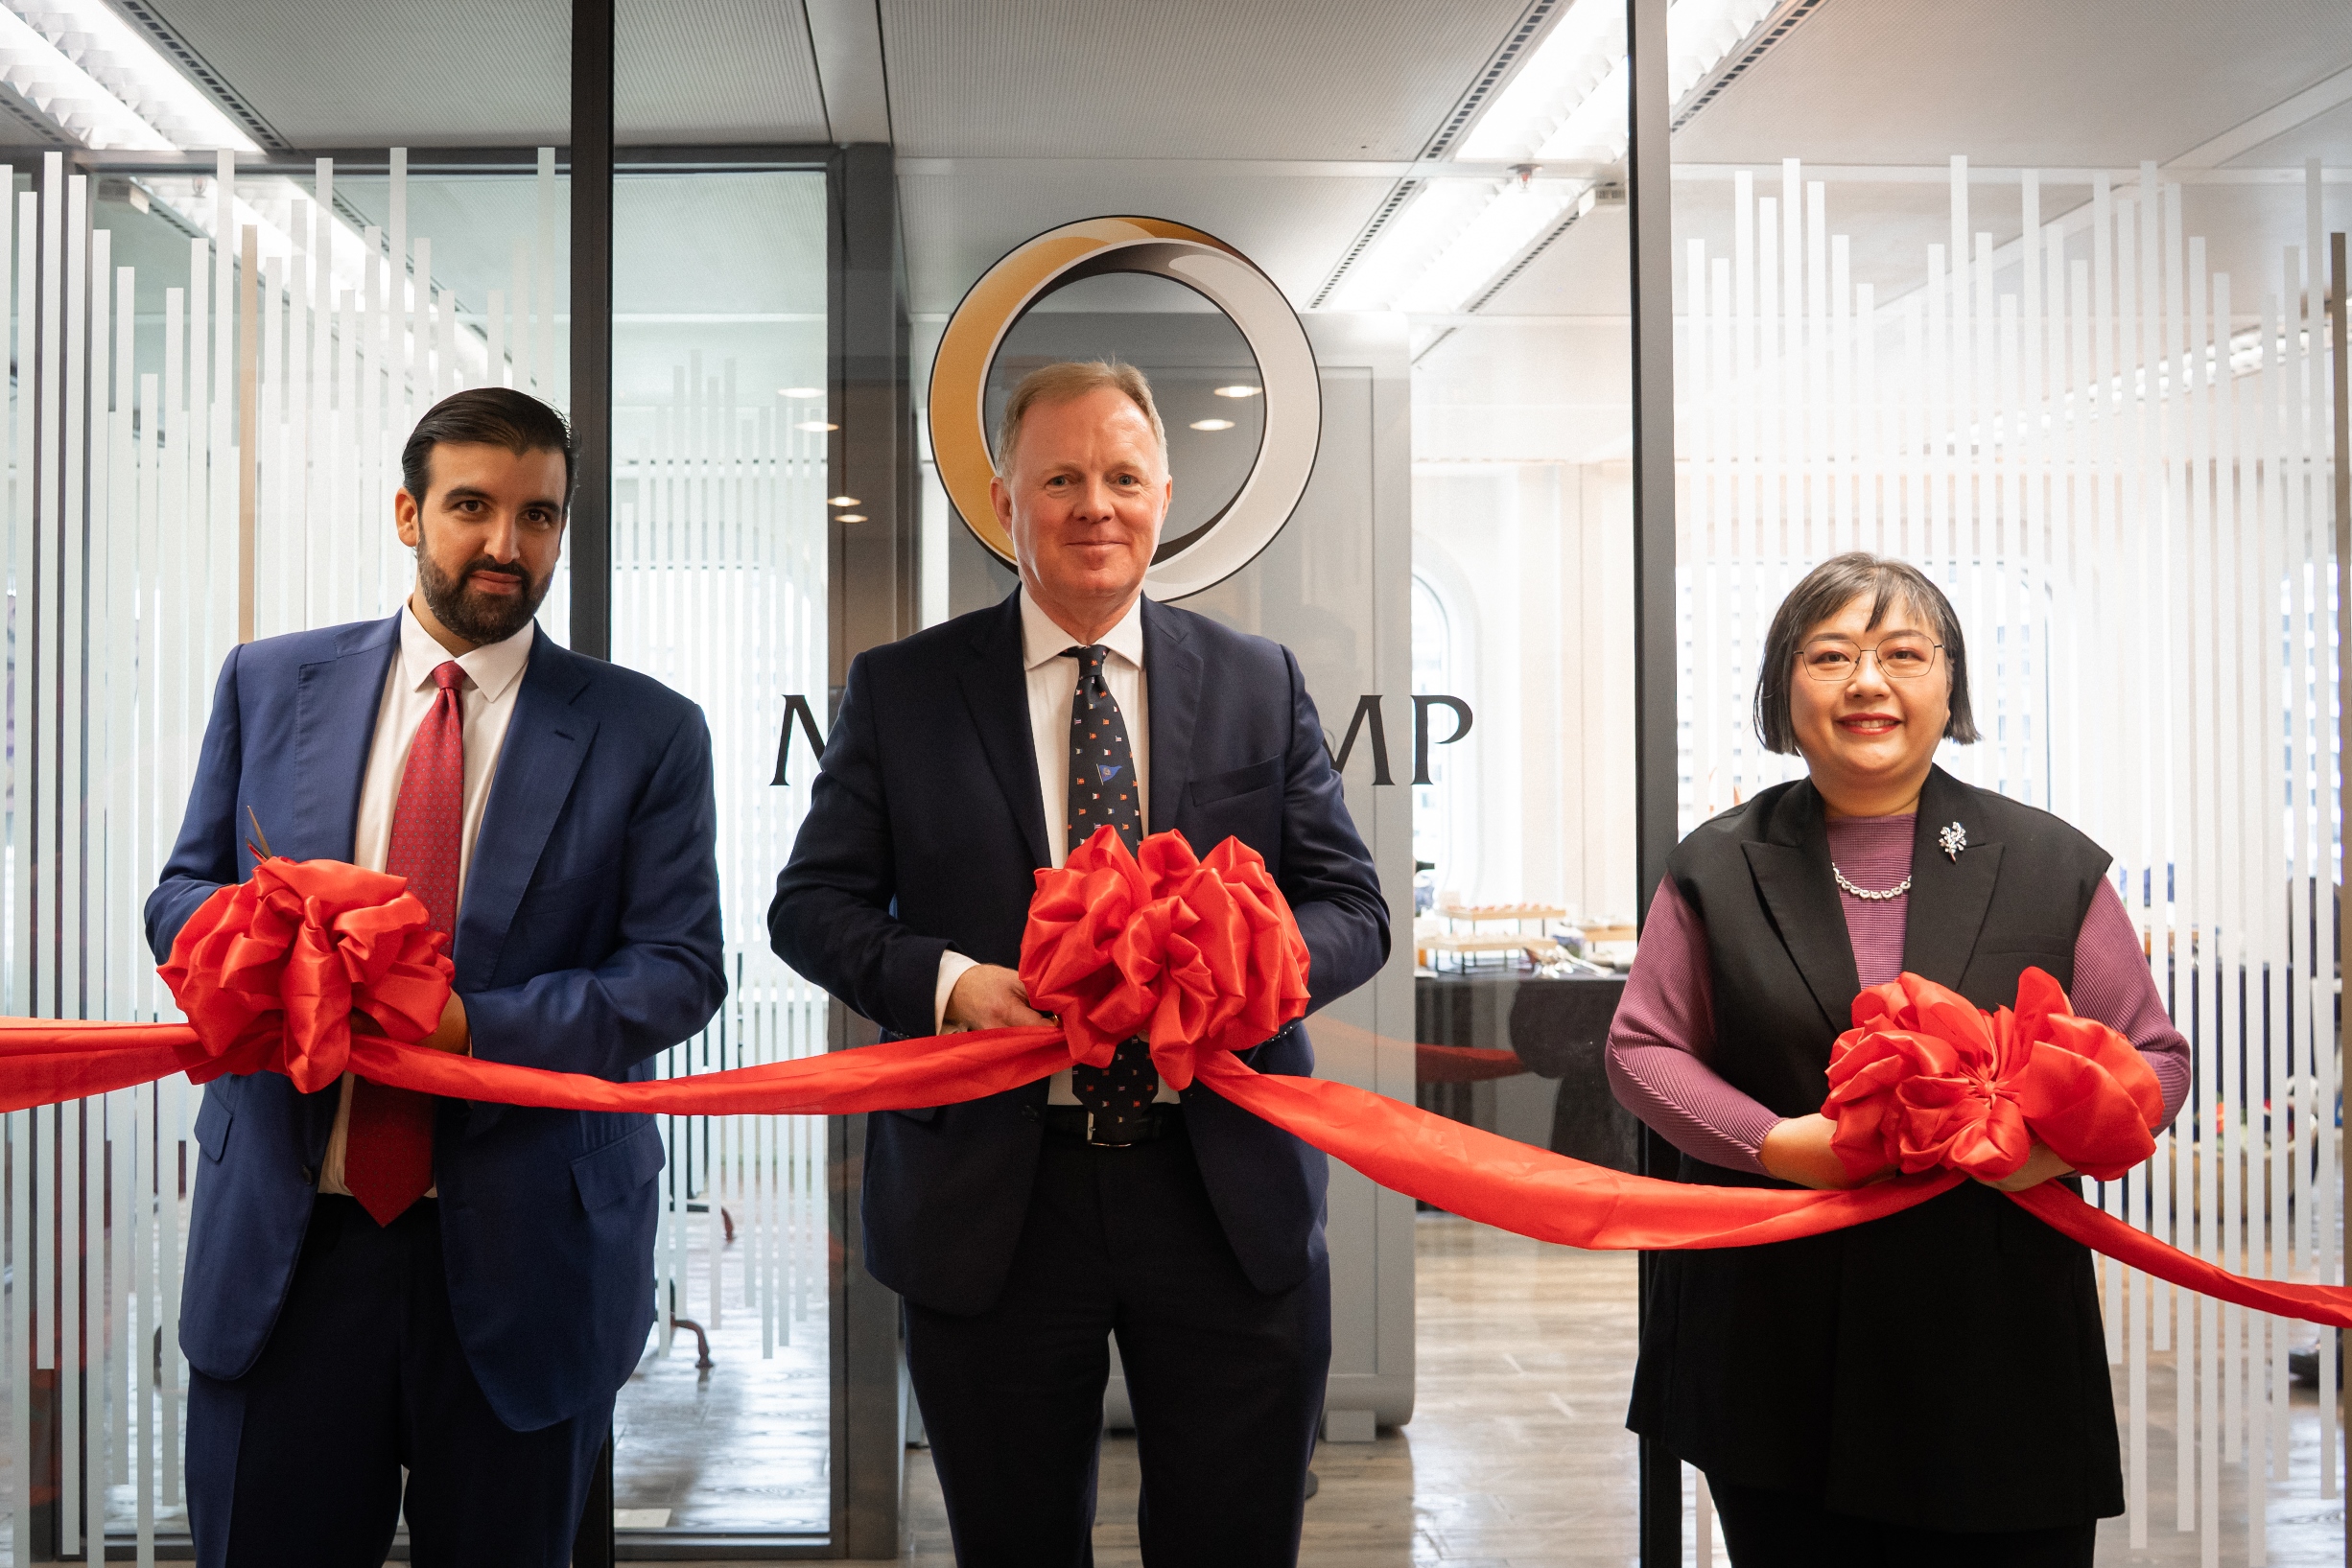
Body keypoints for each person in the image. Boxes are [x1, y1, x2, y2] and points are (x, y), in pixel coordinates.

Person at [768, 360, 1387, 1565]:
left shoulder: (1258, 683)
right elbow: (813, 907)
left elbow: (1352, 906)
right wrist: (954, 985)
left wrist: (1245, 963)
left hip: (1221, 1191)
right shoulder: (905, 690)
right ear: (1005, 501)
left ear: (1164, 493)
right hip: (994, 1198)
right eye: (1060, 478)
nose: (1093, 505)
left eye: (1119, 476)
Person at [146, 387, 726, 1568]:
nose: (505, 544)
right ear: (409, 512)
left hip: (529, 1258)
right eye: (471, 506)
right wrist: (264, 953)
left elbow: (678, 972)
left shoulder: (647, 731)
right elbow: (181, 894)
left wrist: (470, 1025)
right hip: (288, 1248)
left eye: (538, 516)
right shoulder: (270, 682)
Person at [1607, 551, 2190, 1568]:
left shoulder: (2051, 863)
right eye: (1830, 654)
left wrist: (2043, 1154)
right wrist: (1780, 1143)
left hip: (1995, 1336)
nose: (1867, 682)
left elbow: (2153, 1057)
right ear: (1783, 690)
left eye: (1902, 653)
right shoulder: (1714, 864)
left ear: (1949, 683)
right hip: (1772, 1335)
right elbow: (1643, 1049)